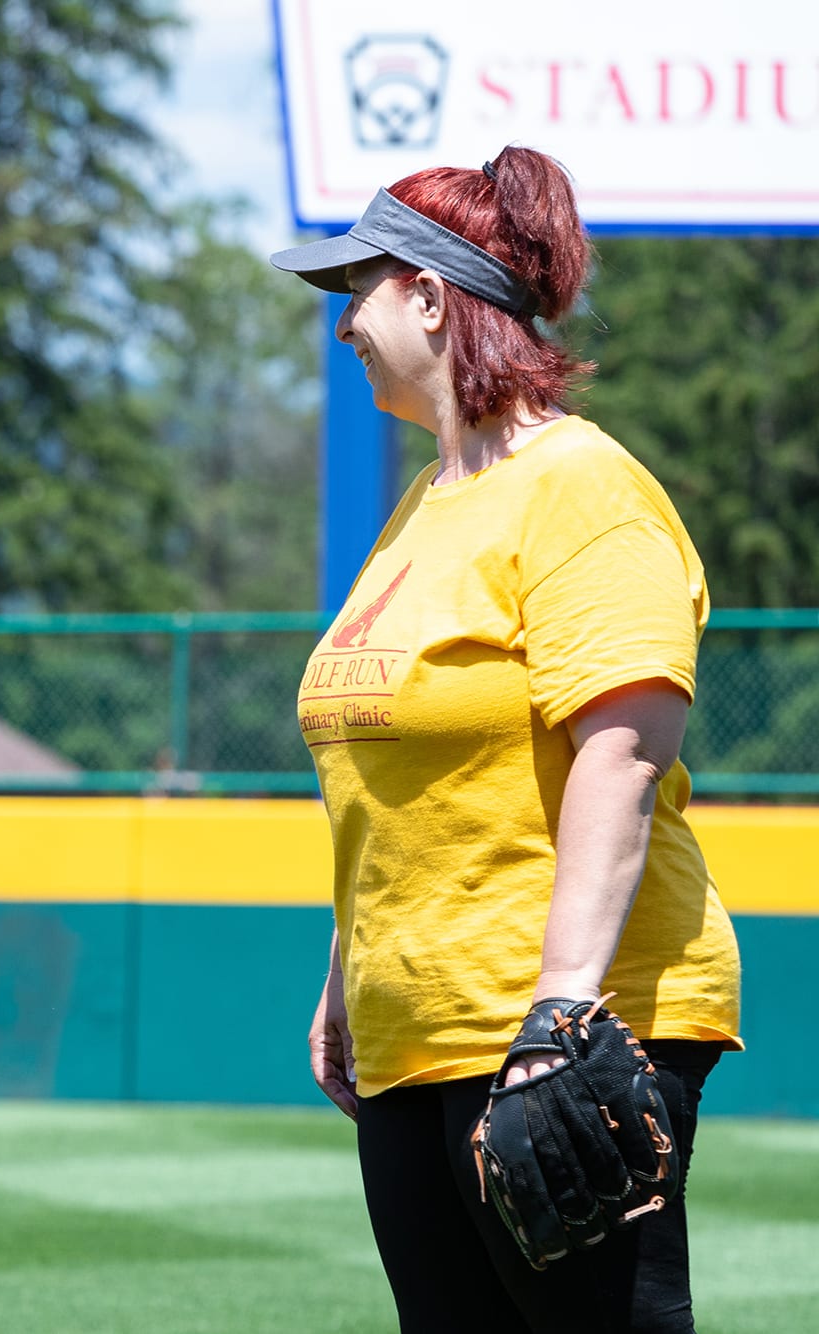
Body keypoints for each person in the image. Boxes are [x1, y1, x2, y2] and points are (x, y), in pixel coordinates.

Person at [270, 147, 742, 1332]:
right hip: (412, 1027)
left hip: (555, 1021)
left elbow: (620, 752)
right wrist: (347, 972)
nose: (342, 327)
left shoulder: (582, 486)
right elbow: (398, 768)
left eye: (355, 294)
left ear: (428, 296)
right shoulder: (425, 504)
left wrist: (559, 1010)